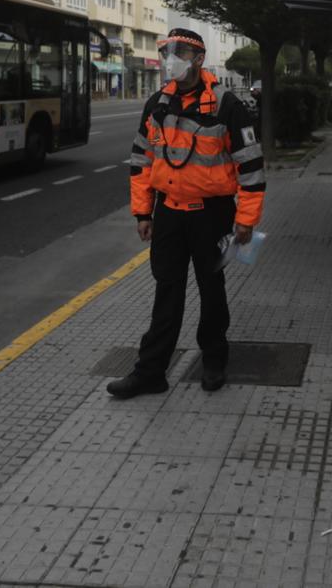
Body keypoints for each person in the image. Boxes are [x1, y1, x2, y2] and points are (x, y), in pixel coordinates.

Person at [108, 28, 265, 398]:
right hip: (169, 215)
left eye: (178, 53)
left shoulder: (227, 105)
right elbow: (141, 161)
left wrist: (246, 219)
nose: (169, 60)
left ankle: (213, 359)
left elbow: (252, 168)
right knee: (167, 291)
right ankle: (151, 372)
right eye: (166, 53)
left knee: (212, 289)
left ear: (198, 58)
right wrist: (143, 213)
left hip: (212, 215)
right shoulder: (158, 103)